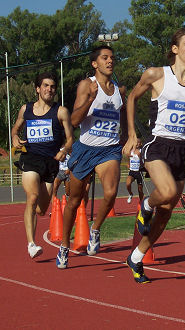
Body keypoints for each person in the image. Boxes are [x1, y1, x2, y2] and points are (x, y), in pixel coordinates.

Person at [123, 28, 185, 283]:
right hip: (158, 144)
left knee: (166, 211)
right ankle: (145, 205)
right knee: (165, 193)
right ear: (175, 49)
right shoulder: (157, 75)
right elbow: (131, 97)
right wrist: (132, 134)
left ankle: (136, 256)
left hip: (183, 150)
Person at [56, 45, 127, 269]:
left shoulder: (118, 90)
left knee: (111, 193)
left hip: (109, 149)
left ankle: (95, 229)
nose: (110, 61)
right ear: (95, 64)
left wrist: (126, 136)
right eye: (105, 58)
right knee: (75, 201)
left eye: (112, 58)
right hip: (85, 149)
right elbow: (75, 120)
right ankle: (65, 245)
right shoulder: (87, 85)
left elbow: (122, 115)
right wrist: (91, 100)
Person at [11, 72, 73, 259]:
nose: (49, 89)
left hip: (51, 162)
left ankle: (34, 214)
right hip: (30, 158)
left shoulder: (60, 111)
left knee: (41, 209)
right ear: (38, 89)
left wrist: (64, 149)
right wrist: (14, 136)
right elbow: (16, 128)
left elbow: (70, 139)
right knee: (32, 196)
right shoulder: (26, 109)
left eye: (52, 86)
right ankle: (31, 244)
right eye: (45, 85)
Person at [126, 138, 144, 203]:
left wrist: (142, 165)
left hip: (139, 172)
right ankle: (130, 194)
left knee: (140, 190)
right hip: (132, 172)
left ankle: (141, 202)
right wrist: (128, 164)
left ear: (140, 144)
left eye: (138, 142)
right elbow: (128, 159)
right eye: (135, 142)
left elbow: (144, 161)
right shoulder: (130, 151)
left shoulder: (141, 151)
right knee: (128, 183)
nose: (136, 144)